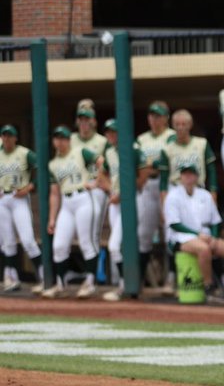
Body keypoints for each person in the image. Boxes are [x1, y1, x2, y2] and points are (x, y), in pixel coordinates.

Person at [98, 119, 157, 302]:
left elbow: (144, 174)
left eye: (114, 132)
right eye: (108, 132)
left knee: (116, 245)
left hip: (133, 201)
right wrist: (111, 190)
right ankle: (130, 284)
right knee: (119, 246)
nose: (111, 135)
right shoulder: (109, 152)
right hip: (115, 202)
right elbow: (102, 174)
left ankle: (127, 285)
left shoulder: (133, 148)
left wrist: (124, 193)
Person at [163, 163, 224, 302]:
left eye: (191, 174)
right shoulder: (173, 196)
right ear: (181, 177)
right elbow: (174, 224)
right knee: (204, 249)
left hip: (205, 235)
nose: (188, 177)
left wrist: (214, 237)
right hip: (180, 237)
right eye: (185, 174)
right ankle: (209, 288)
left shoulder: (205, 195)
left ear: (197, 177)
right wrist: (198, 235)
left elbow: (215, 221)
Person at [43, 126, 101, 298]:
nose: (59, 142)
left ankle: (90, 283)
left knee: (86, 243)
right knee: (59, 245)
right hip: (66, 203)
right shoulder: (53, 164)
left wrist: (95, 181)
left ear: (69, 140)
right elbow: (54, 193)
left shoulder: (80, 152)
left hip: (84, 198)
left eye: (63, 138)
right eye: (57, 138)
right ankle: (61, 284)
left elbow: (100, 161)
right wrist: (52, 218)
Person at [0, 125, 44, 293]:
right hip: (3, 198)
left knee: (28, 240)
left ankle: (44, 276)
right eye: (4, 136)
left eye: (10, 136)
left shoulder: (24, 153)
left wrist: (31, 186)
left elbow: (41, 167)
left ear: (16, 138)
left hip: (19, 198)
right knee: (8, 242)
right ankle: (11, 279)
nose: (7, 139)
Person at [136, 101, 172, 288]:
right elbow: (138, 164)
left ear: (166, 118)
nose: (154, 119)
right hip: (148, 187)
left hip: (167, 186)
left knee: (171, 232)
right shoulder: (142, 139)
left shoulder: (171, 137)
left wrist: (153, 165)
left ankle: (171, 280)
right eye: (151, 116)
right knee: (143, 234)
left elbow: (169, 162)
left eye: (158, 116)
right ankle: (139, 279)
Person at [70, 103, 109, 255]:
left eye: (88, 119)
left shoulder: (102, 141)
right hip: (74, 188)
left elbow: (107, 166)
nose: (84, 123)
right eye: (81, 119)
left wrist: (98, 182)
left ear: (94, 122)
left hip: (95, 187)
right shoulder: (70, 139)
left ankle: (94, 270)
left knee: (94, 232)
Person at [160, 109, 218, 201]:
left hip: (198, 189)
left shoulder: (202, 144)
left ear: (190, 125)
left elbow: (211, 171)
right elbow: (163, 180)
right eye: (177, 124)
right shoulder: (167, 149)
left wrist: (213, 193)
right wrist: (163, 201)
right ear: (173, 126)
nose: (180, 127)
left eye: (183, 124)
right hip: (176, 189)